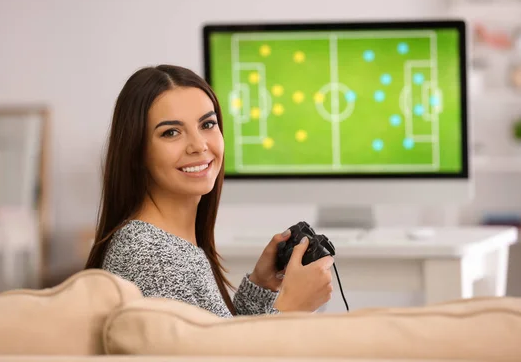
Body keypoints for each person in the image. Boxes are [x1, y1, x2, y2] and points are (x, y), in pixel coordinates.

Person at [84, 64, 334, 318]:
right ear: (136, 152)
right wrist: (293, 307)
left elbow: (217, 340)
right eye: (171, 132)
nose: (199, 145)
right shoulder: (149, 256)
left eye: (207, 124)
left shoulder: (170, 245)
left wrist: (262, 285)